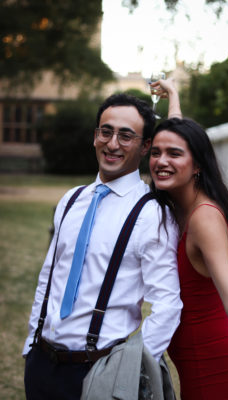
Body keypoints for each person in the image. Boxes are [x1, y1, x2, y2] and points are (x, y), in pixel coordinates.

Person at [23, 93, 183, 400]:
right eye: (105, 131)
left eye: (126, 136)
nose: (112, 144)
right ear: (95, 135)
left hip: (100, 373)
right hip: (42, 365)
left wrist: (127, 369)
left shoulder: (151, 214)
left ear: (145, 145)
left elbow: (168, 305)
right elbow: (49, 276)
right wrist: (31, 345)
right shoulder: (71, 199)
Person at [149, 79, 228, 399]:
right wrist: (173, 96)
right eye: (155, 152)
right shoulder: (182, 197)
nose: (162, 161)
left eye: (174, 154)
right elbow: (180, 139)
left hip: (214, 368)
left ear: (197, 165)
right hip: (197, 363)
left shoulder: (204, 218)